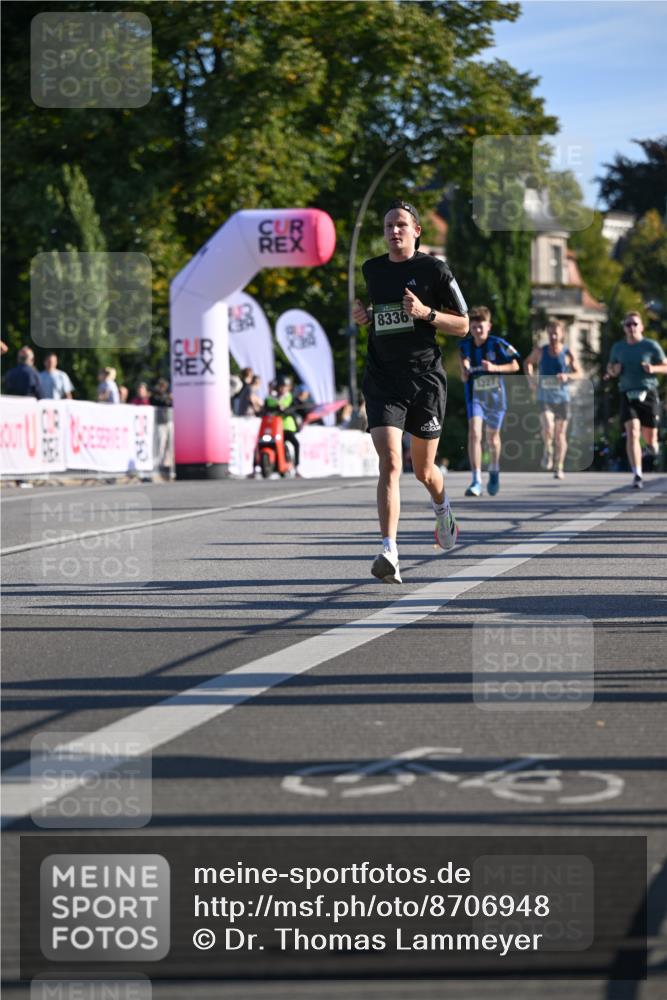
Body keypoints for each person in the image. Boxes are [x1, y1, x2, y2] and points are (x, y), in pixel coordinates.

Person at [353, 199, 469, 584]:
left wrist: (426, 314)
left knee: (423, 471)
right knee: (390, 461)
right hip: (383, 379)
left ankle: (442, 507)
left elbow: (464, 325)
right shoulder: (372, 269)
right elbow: (380, 314)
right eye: (388, 225)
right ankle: (389, 550)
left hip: (425, 380)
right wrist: (365, 317)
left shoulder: (435, 270)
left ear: (416, 231)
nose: (394, 231)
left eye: (401, 224)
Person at [459, 306, 520, 497]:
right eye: (474, 327)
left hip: (495, 397)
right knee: (474, 433)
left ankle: (494, 469)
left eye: (481, 326)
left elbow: (515, 365)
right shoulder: (464, 346)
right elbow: (463, 375)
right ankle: (476, 479)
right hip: (474, 396)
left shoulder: (497, 344)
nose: (478, 330)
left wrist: (494, 368)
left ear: (489, 326)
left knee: (492, 439)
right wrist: (465, 371)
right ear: (470, 328)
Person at [606, 311, 667, 488]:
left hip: (648, 393)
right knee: (632, 431)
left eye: (635, 324)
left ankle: (652, 445)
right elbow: (610, 369)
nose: (631, 327)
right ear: (624, 328)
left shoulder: (650, 346)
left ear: (641, 327)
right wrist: (614, 370)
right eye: (628, 324)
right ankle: (637, 474)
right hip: (627, 393)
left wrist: (653, 369)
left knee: (650, 438)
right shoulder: (618, 347)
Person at [524, 318, 580, 480]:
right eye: (550, 334)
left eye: (555, 333)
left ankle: (559, 465)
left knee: (560, 434)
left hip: (562, 398)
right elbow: (527, 363)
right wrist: (531, 379)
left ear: (562, 334)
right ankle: (547, 450)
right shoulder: (541, 351)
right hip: (544, 397)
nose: (553, 337)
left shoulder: (568, 352)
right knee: (548, 426)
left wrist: (567, 376)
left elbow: (578, 373)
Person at [265, 374, 300, 473]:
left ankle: (296, 466)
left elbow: (293, 409)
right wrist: (276, 408)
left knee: (296, 444)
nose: (283, 389)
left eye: (285, 387)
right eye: (281, 387)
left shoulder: (290, 397)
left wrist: (285, 410)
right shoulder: (272, 398)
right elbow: (267, 408)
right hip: (275, 428)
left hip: (287, 427)